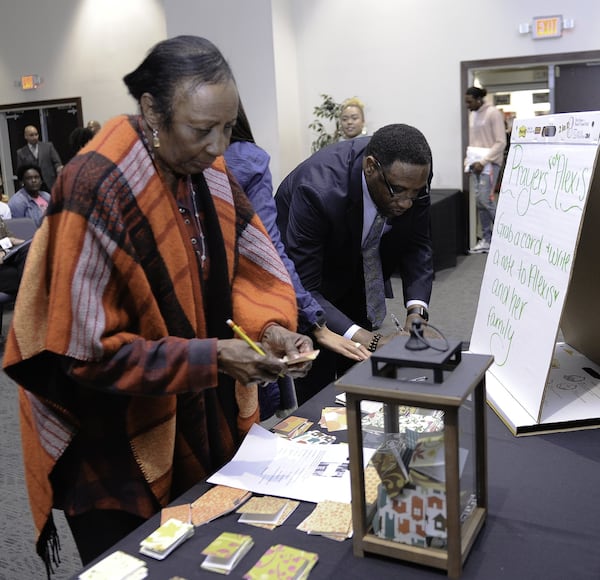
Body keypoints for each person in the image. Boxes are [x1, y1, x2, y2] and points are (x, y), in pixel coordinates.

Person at [2, 35, 314, 574]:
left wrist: (267, 330)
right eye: (201, 129)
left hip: (191, 406)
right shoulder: (95, 185)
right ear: (150, 110)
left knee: (203, 557)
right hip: (109, 443)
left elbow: (246, 268)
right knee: (142, 564)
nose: (218, 145)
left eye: (227, 126)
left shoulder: (206, 172)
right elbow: (81, 355)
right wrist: (212, 358)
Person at [224, 102, 370, 416]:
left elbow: (270, 249)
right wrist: (316, 323)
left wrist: (314, 321)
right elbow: (272, 251)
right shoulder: (305, 181)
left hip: (243, 314)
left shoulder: (242, 163)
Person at [275, 124, 434, 404]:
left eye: (415, 193)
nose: (407, 203)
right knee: (321, 388)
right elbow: (306, 287)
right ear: (371, 167)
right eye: (398, 192)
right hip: (309, 281)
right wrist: (367, 338)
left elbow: (417, 246)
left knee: (364, 376)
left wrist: (416, 313)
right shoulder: (317, 189)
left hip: (361, 267)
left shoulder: (410, 178)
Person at [464, 86, 506, 254]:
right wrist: (469, 162)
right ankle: (487, 240)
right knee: (480, 203)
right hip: (477, 165)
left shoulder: (493, 113)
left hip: (490, 164)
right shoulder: (473, 115)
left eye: (469, 101)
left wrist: (484, 161)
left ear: (478, 99)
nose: (467, 105)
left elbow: (501, 142)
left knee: (485, 200)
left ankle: (505, 236)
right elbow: (473, 142)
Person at [16, 125, 63, 191]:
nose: (35, 137)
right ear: (25, 136)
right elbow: (20, 172)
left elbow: (57, 162)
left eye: (36, 134)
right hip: (33, 186)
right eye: (31, 135)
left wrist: (59, 168)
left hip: (50, 183)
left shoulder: (48, 147)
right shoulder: (21, 152)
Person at [0, 216, 30, 294]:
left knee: (27, 249)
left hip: (6, 257)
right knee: (23, 275)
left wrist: (23, 243)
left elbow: (10, 238)